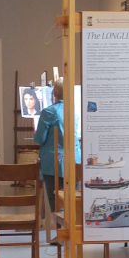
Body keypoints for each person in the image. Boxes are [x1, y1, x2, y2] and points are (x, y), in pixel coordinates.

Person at [32, 84, 78, 216]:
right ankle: (69, 233)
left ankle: (60, 233)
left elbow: (39, 138)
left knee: (56, 202)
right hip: (75, 161)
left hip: (54, 163)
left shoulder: (49, 112)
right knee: (72, 200)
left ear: (54, 93)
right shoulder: (73, 111)